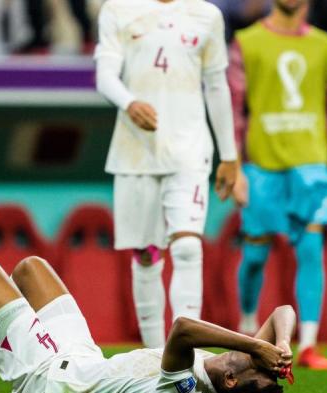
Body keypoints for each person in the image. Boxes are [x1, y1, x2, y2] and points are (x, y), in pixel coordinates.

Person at [0, 256, 295, 393]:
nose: (255, 354)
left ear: (230, 376)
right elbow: (282, 311)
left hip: (50, 379)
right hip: (85, 359)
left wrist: (255, 343)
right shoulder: (228, 375)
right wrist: (280, 345)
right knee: (30, 269)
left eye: (252, 360)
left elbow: (183, 329)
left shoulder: (187, 391)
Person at [94, 0, 238, 349]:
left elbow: (217, 85)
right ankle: (156, 357)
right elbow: (105, 76)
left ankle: (185, 354)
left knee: (188, 246)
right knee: (146, 255)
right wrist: (129, 103)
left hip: (190, 148)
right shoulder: (118, 9)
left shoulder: (207, 15)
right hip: (136, 152)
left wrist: (230, 155)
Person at [228, 0, 327, 370]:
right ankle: (248, 327)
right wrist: (235, 167)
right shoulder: (246, 42)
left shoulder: (326, 46)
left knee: (311, 249)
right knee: (255, 256)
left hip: (310, 163)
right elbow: (233, 109)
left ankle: (308, 344)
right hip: (261, 164)